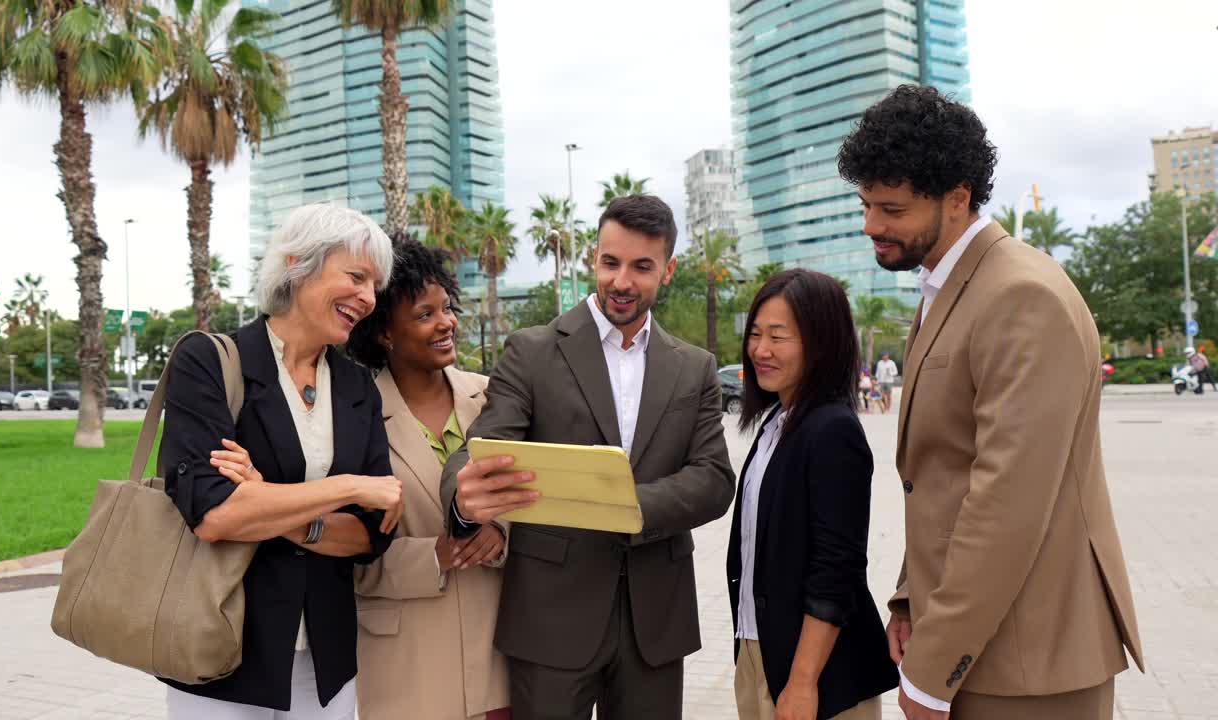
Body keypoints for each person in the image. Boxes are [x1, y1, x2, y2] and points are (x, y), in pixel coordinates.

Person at [837, 84, 1143, 720]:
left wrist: (931, 671)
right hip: (974, 640)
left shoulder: (1020, 297)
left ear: (957, 199)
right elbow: (940, 476)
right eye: (866, 204)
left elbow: (1007, 504)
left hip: (1027, 666)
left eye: (891, 208)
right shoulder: (951, 287)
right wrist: (910, 599)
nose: (872, 225)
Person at [441, 194, 736, 720]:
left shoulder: (694, 368)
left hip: (656, 620)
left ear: (667, 271)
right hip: (550, 617)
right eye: (610, 262)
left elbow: (714, 479)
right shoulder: (531, 351)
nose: (622, 280)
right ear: (592, 259)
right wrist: (463, 500)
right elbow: (479, 449)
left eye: (642, 266)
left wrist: (623, 506)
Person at [158, 203, 405, 719]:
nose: (367, 297)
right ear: (298, 264)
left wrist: (266, 500)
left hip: (326, 663)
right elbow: (215, 517)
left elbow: (371, 534)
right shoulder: (209, 361)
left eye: (374, 286)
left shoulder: (358, 386)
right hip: (220, 655)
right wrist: (349, 488)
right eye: (356, 276)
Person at [345, 241, 511, 720]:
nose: (446, 323)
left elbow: (537, 502)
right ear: (384, 334)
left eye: (447, 308)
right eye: (424, 314)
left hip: (497, 663)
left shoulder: (494, 400)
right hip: (405, 672)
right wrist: (434, 555)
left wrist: (503, 533)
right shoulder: (354, 418)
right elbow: (346, 556)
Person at [729, 269, 898, 720]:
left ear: (820, 342)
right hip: (760, 647)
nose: (760, 350)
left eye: (778, 337)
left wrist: (803, 682)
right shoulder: (776, 422)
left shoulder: (832, 430)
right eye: (756, 334)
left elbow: (836, 569)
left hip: (818, 677)